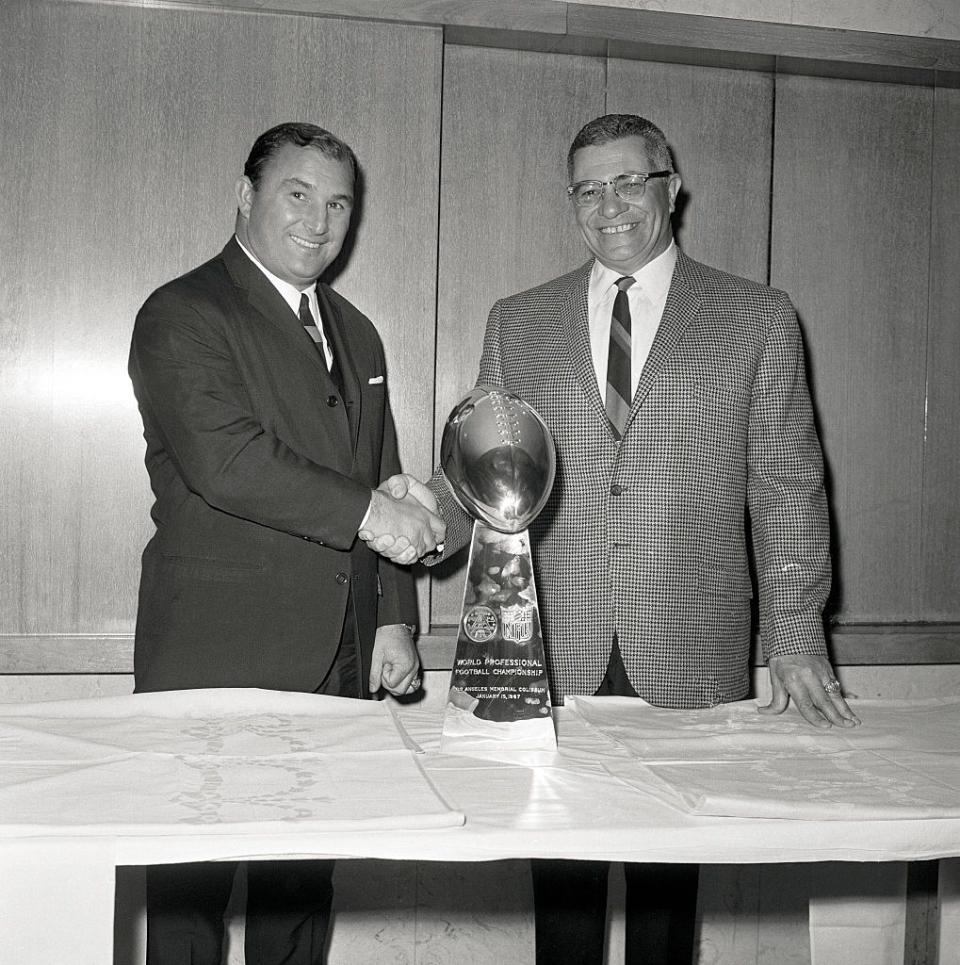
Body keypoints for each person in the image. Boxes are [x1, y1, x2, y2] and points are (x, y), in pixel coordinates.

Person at [377, 113, 859, 964]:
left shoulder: (758, 316)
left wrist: (794, 632)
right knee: (562, 894)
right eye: (589, 188)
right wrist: (423, 523)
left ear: (671, 186)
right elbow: (488, 468)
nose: (612, 205)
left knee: (667, 903)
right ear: (572, 202)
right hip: (551, 648)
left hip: (691, 645)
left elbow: (786, 485)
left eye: (631, 180)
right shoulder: (518, 321)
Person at [128, 121, 444, 965]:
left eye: (339, 203)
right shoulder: (182, 311)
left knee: (301, 894)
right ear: (246, 196)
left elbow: (382, 474)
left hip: (337, 657)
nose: (319, 220)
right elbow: (225, 461)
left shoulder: (360, 332)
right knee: (191, 900)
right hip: (213, 654)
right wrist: (377, 516)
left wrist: (393, 618)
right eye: (296, 195)